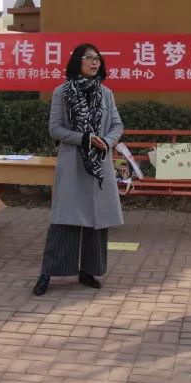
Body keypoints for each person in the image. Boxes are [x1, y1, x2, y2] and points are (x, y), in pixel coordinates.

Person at [33, 44, 124, 296]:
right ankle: (47, 273)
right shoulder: (62, 92)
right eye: (90, 58)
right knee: (64, 220)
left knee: (96, 220)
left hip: (98, 166)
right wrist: (84, 138)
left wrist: (106, 141)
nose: (95, 63)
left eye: (98, 59)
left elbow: (117, 125)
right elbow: (55, 129)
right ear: (77, 61)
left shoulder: (106, 93)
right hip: (73, 164)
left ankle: (88, 270)